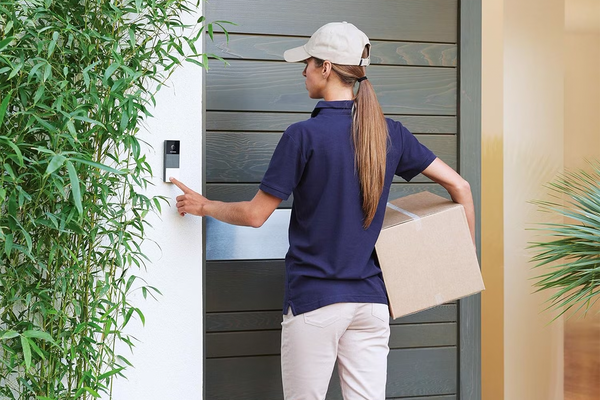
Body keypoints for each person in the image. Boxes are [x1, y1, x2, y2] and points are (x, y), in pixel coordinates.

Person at [170, 21, 475, 400]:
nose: (304, 71)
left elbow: (254, 215)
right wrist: (460, 261)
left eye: (309, 63)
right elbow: (460, 186)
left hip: (316, 302)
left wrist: (205, 205)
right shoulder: (390, 132)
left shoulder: (303, 135)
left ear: (326, 67)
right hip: (372, 304)